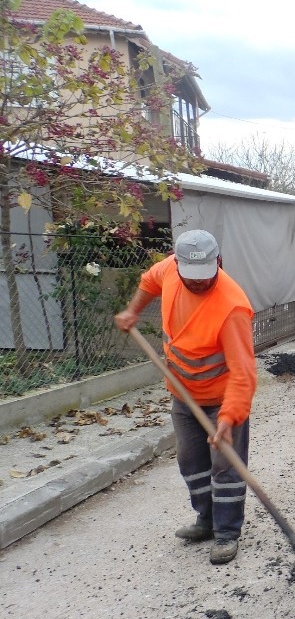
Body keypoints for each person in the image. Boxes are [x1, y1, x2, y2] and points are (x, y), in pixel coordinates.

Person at [114, 229, 256, 566]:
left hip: (222, 400)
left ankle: (226, 533)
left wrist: (227, 419)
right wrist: (132, 310)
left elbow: (243, 374)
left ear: (218, 263)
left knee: (226, 468)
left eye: (204, 278)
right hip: (182, 393)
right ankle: (205, 521)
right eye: (189, 277)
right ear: (176, 263)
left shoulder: (232, 306)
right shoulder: (169, 271)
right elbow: (149, 280)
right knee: (190, 462)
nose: (197, 284)